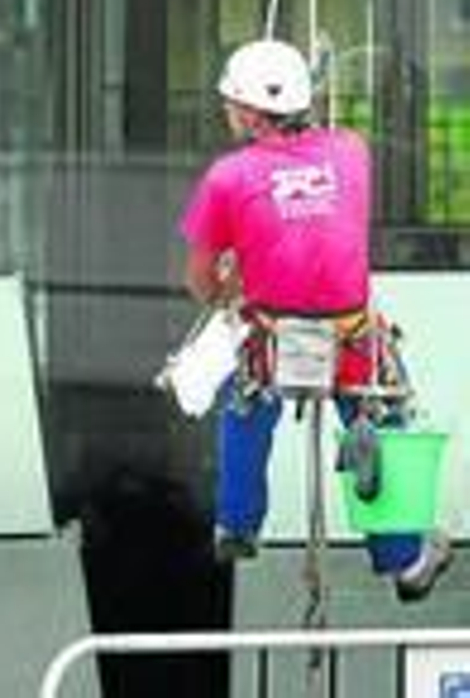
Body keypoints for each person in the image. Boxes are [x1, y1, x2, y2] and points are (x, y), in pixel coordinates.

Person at [178, 38, 452, 603]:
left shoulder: (228, 177)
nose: (227, 111)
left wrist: (228, 291)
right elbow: (316, 149)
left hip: (274, 336)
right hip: (350, 335)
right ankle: (404, 560)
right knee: (380, 423)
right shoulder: (351, 151)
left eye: (232, 103)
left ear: (252, 112)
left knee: (245, 403)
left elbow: (200, 280)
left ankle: (237, 524)